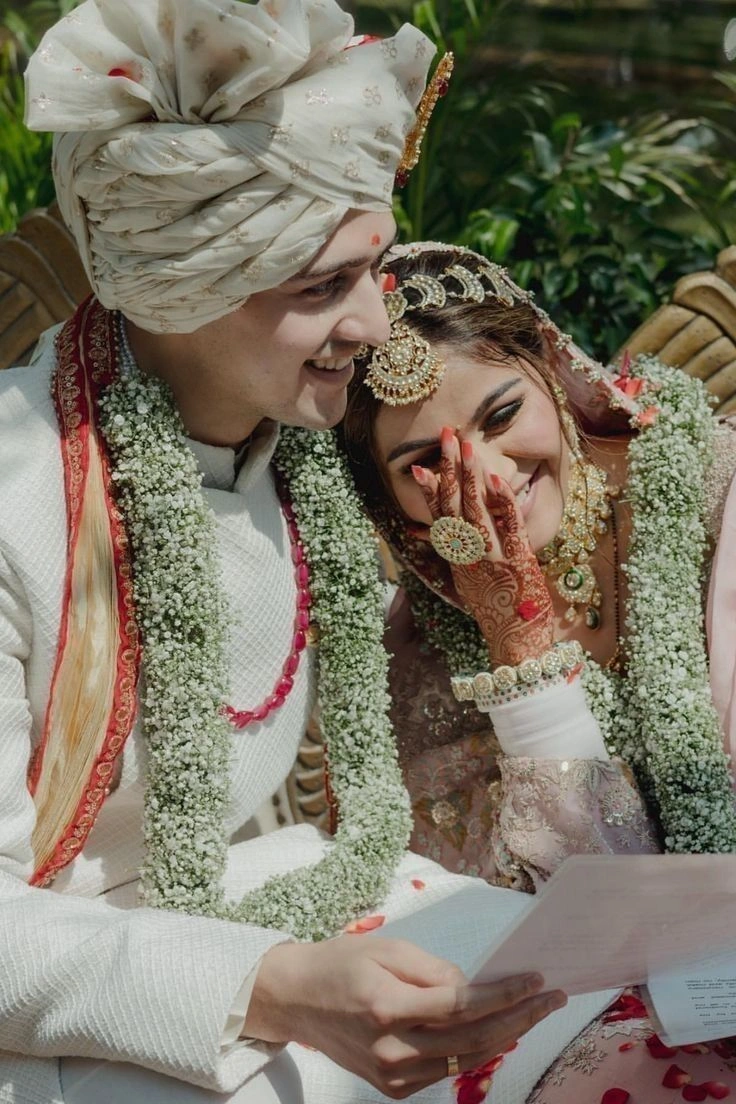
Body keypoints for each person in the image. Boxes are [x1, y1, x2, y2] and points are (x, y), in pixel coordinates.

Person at [0, 4, 626, 1104]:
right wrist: (270, 988)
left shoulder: (313, 455)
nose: (376, 331)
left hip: (281, 911)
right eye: (318, 287)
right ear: (177, 291)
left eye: (371, 268)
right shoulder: (17, 497)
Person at [339, 241, 736, 1100]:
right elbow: (582, 932)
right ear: (394, 510)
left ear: (551, 369)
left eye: (499, 413)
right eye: (425, 464)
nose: (485, 478)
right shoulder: (420, 661)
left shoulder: (716, 498)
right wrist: (515, 642)